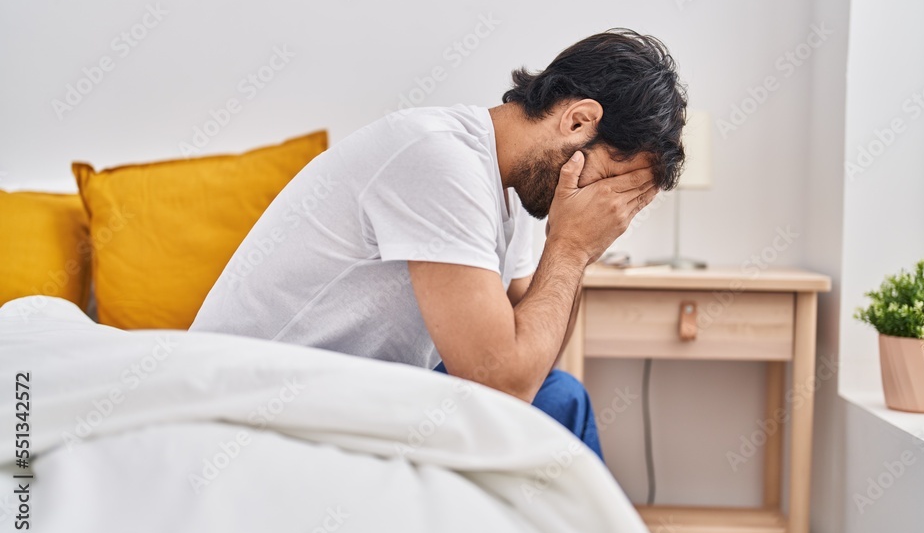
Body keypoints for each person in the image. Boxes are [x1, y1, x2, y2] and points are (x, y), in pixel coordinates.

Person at [190, 29, 687, 459]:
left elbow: (534, 360)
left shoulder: (515, 190)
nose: (598, 205)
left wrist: (580, 247)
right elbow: (502, 382)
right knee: (550, 404)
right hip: (259, 399)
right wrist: (572, 249)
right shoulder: (439, 158)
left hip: (343, 392)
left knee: (558, 398)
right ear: (578, 121)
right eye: (607, 184)